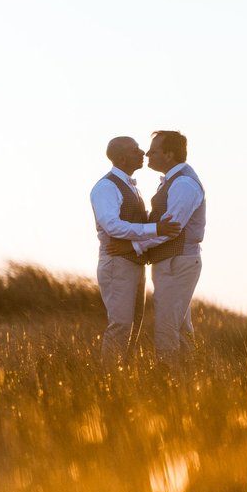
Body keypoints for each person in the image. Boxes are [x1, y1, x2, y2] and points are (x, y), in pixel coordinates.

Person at [107, 130, 206, 365]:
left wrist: (132, 248)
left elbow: (170, 229)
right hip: (173, 262)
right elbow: (163, 227)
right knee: (180, 329)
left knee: (166, 329)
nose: (147, 153)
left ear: (169, 155)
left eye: (154, 150)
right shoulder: (174, 181)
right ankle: (190, 382)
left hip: (177, 261)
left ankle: (168, 383)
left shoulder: (183, 184)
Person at [90, 136, 180, 367]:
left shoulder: (130, 186)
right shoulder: (106, 187)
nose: (143, 153)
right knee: (121, 324)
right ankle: (108, 377)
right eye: (135, 150)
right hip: (116, 263)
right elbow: (112, 225)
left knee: (134, 324)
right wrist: (155, 228)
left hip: (133, 262)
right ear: (121, 158)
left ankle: (123, 375)